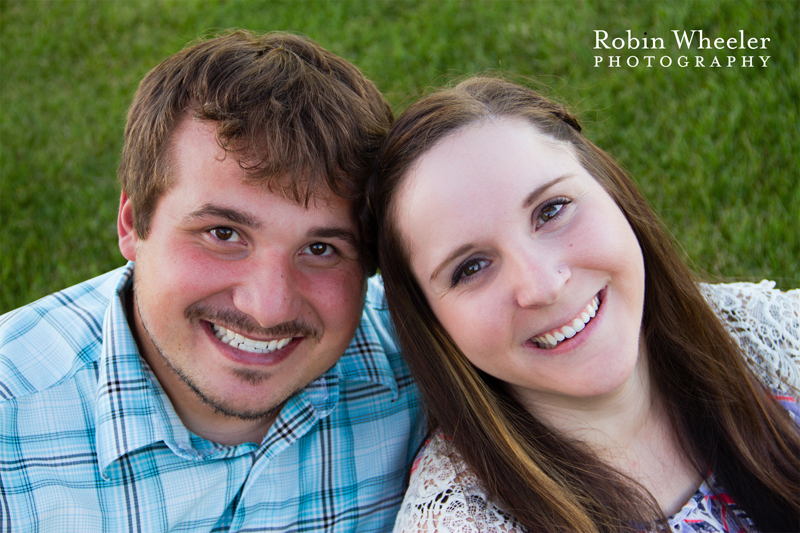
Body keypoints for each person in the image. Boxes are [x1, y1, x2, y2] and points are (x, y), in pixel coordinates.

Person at [0, 31, 423, 532]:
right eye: (223, 233)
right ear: (133, 224)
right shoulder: (12, 426)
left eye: (320, 249)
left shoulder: (425, 373)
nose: (267, 309)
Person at [366, 77, 800, 533]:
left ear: (610, 188)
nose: (543, 286)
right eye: (471, 268)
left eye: (551, 210)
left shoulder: (771, 337)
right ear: (430, 321)